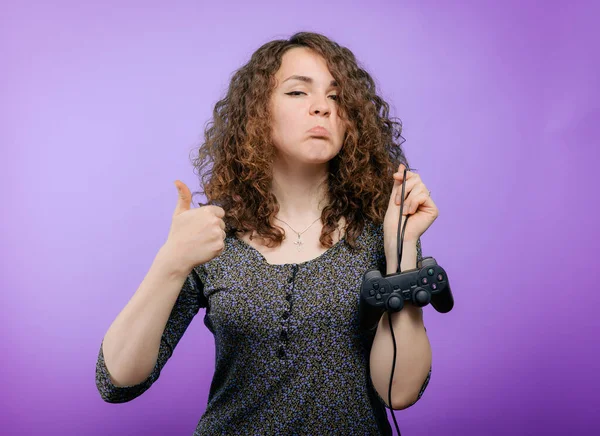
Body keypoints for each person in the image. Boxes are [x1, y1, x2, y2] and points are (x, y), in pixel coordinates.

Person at [95, 31, 439, 435]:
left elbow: (399, 392)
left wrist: (402, 253)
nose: (322, 109)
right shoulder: (213, 235)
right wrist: (170, 263)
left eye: (336, 96)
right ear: (258, 111)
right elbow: (116, 382)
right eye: (298, 93)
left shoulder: (379, 231)